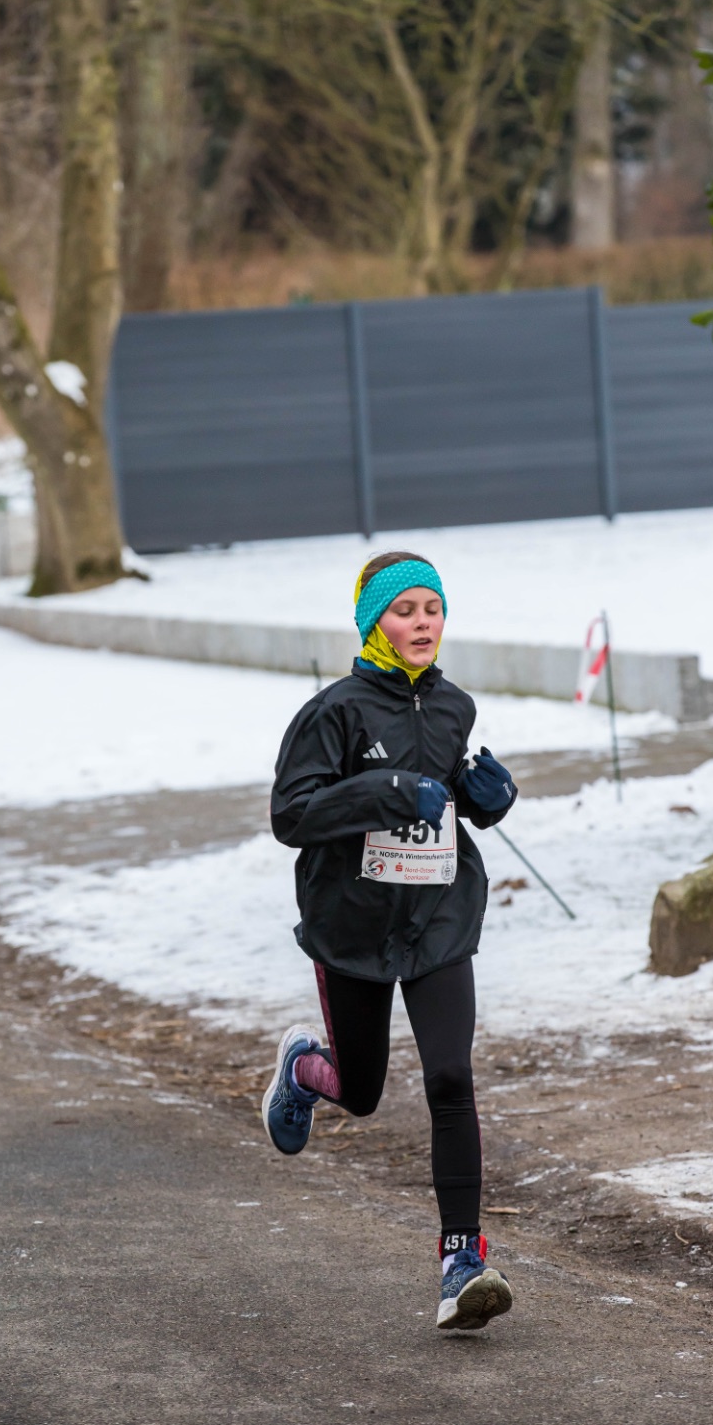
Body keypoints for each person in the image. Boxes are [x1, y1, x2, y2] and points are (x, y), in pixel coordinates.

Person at [262, 550, 518, 1331]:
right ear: (375, 622)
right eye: (405, 611)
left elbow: (449, 795)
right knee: (364, 1091)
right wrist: (389, 791)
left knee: (450, 1077)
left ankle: (461, 1261)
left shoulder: (454, 706)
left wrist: (488, 799)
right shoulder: (332, 713)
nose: (423, 623)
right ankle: (304, 1070)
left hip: (438, 918)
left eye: (432, 609)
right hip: (353, 925)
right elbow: (291, 815)